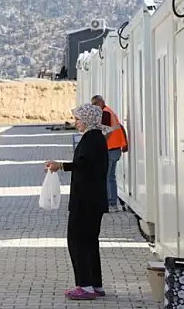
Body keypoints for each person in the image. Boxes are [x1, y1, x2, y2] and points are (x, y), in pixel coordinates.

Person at [45, 103, 109, 301]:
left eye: (78, 119)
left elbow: (83, 164)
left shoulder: (91, 139)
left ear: (88, 120)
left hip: (85, 200)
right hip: (94, 199)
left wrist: (60, 166)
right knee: (90, 241)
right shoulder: (97, 138)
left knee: (77, 241)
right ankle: (95, 284)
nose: (76, 123)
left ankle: (85, 286)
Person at [91, 95, 128, 212]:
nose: (94, 106)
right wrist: (124, 143)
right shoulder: (109, 111)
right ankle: (113, 203)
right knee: (111, 177)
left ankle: (109, 203)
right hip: (116, 148)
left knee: (106, 177)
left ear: (101, 102)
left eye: (95, 103)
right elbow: (120, 127)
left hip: (109, 149)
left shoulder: (105, 113)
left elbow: (105, 132)